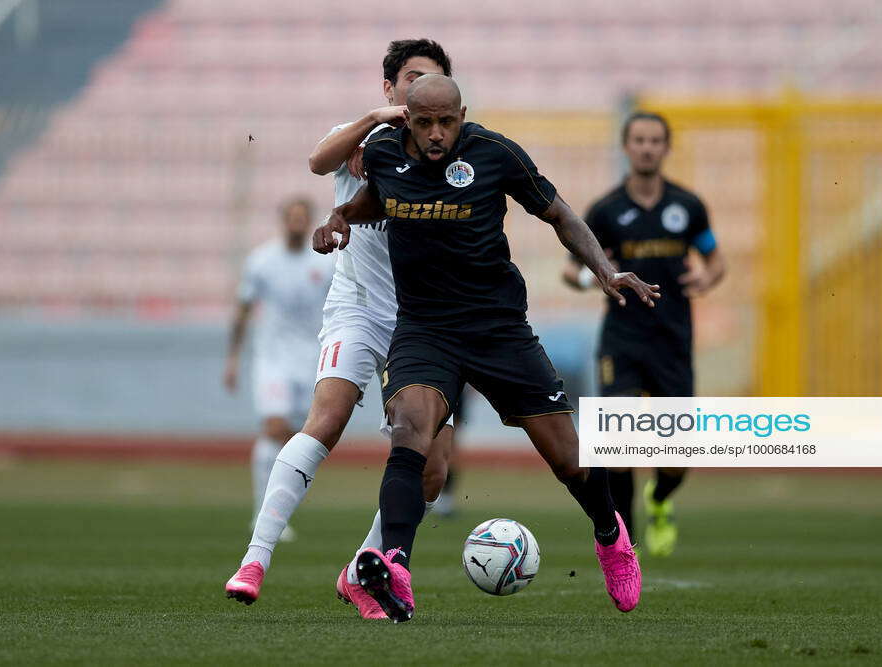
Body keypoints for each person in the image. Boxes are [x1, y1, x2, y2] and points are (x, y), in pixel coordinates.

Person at [313, 74, 661, 622]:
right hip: (425, 328)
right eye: (423, 122)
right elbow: (377, 200)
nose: (435, 134)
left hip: (498, 329)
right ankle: (394, 565)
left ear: (462, 115)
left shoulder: (494, 153)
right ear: (406, 117)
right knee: (409, 429)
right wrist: (340, 216)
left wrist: (605, 270)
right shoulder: (382, 151)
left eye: (445, 122)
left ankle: (611, 535)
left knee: (569, 460)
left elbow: (560, 214)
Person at [224, 40, 458, 620]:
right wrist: (373, 127)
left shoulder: (450, 156)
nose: (419, 88)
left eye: (433, 80)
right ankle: (255, 558)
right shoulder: (361, 137)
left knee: (433, 466)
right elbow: (317, 161)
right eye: (411, 79)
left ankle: (363, 569)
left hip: (421, 321)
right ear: (389, 88)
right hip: (357, 309)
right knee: (324, 421)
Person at [562, 112, 726, 557]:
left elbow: (715, 259)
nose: (647, 147)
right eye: (639, 140)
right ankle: (625, 546)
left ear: (666, 147)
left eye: (655, 140)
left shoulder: (687, 206)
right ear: (626, 146)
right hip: (623, 339)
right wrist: (594, 277)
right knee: (619, 443)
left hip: (673, 341)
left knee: (676, 458)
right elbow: (572, 269)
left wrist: (706, 280)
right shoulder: (607, 210)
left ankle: (659, 499)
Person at [223, 197, 334, 543]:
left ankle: (276, 513)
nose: (297, 224)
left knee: (295, 439)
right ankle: (262, 515)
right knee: (273, 427)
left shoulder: (326, 262)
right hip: (272, 360)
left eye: (303, 218)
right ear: (283, 221)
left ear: (309, 221)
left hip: (311, 359)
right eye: (292, 218)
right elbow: (242, 309)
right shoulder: (262, 261)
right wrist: (233, 358)